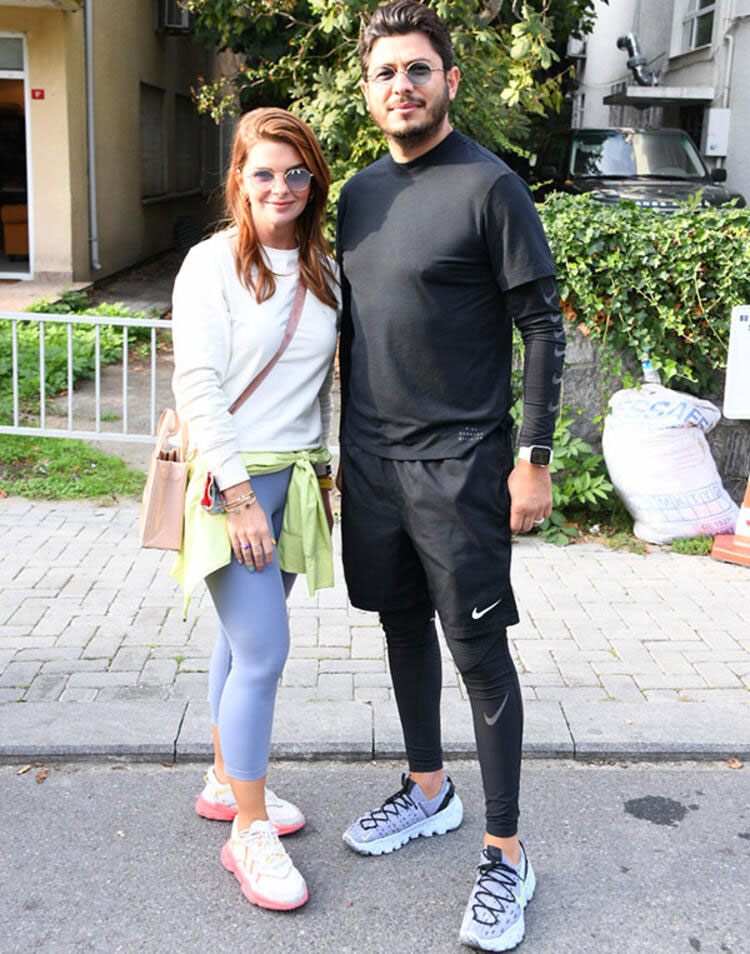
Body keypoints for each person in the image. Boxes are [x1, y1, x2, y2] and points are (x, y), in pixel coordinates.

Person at [336, 3, 565, 950]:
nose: (402, 85)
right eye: (386, 72)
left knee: (477, 653)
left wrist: (533, 459)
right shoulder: (355, 195)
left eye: (418, 69)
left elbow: (542, 326)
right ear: (368, 90)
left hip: (462, 464)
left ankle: (507, 854)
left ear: (450, 81)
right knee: (400, 625)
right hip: (370, 463)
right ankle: (429, 789)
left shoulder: (490, 186)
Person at [170, 107, 339, 912]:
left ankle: (222, 779)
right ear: (239, 179)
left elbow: (320, 386)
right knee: (265, 653)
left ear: (314, 181)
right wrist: (238, 496)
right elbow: (198, 385)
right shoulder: (211, 265)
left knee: (240, 647)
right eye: (263, 172)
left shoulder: (324, 270)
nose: (281, 187)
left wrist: (323, 478)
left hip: (295, 481)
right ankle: (248, 828)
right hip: (231, 486)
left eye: (296, 172)